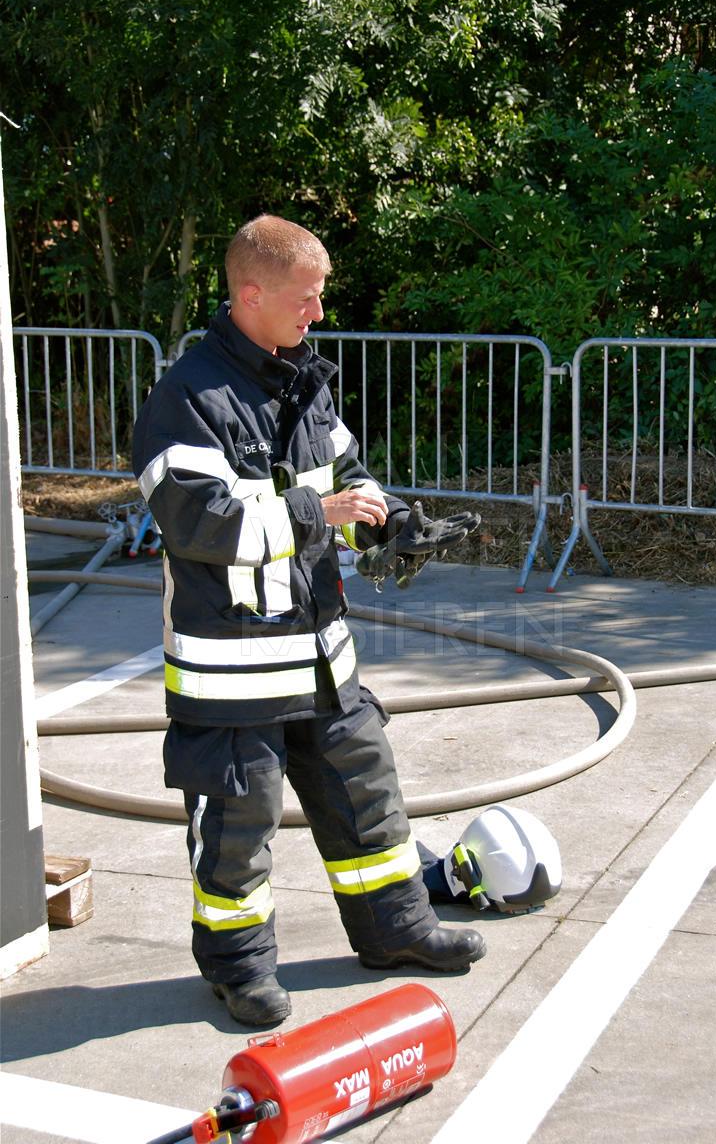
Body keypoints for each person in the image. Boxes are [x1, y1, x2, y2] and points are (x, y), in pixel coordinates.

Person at [132, 213, 485, 1028]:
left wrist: (390, 523)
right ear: (251, 295)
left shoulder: (304, 381)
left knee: (367, 797)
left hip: (323, 660)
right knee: (236, 829)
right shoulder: (186, 398)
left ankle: (396, 930)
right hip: (233, 678)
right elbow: (198, 522)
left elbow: (347, 480)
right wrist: (315, 512)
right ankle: (238, 969)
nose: (318, 313)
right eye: (306, 297)